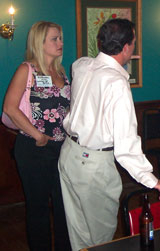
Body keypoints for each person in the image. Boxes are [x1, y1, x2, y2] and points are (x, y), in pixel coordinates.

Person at [58, 18, 160, 250]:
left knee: (79, 234)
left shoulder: (80, 65)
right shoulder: (117, 83)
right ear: (127, 46)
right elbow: (126, 145)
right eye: (134, 42)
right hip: (93, 165)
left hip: (68, 154)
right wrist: (153, 180)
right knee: (100, 238)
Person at [3, 21, 71, 250]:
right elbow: (9, 108)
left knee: (64, 206)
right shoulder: (27, 70)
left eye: (61, 38)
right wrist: (38, 136)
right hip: (34, 148)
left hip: (62, 149)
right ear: (39, 42)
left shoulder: (61, 71)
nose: (61, 43)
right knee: (39, 207)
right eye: (55, 39)